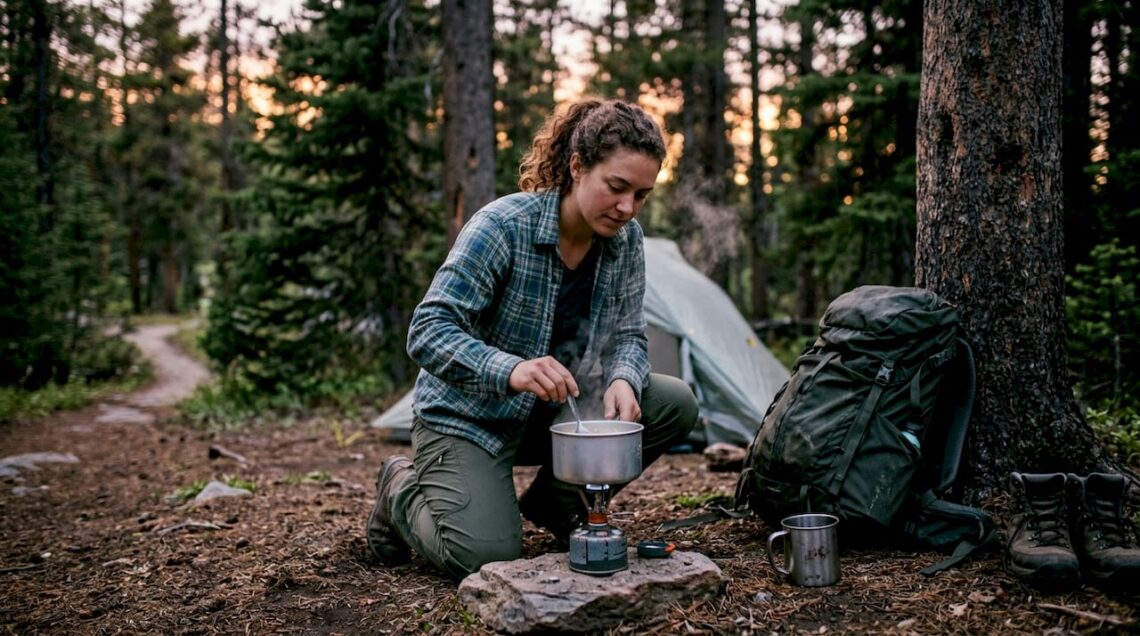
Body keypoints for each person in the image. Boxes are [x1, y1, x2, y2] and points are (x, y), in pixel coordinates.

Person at [365, 98, 699, 580]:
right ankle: (400, 487)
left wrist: (624, 378)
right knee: (484, 556)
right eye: (616, 187)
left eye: (641, 195)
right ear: (577, 167)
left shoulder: (626, 242)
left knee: (673, 402)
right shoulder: (502, 227)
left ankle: (559, 503)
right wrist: (512, 369)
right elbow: (428, 330)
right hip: (467, 420)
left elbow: (628, 334)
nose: (627, 208)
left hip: (554, 418)